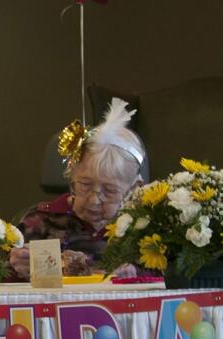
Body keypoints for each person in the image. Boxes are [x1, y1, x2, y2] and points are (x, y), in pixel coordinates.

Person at [10, 98, 146, 279]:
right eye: (85, 185)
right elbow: (3, 282)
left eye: (110, 190)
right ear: (71, 177)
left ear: (134, 189)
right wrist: (16, 266)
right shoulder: (39, 222)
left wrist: (138, 275)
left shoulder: (144, 229)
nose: (94, 200)